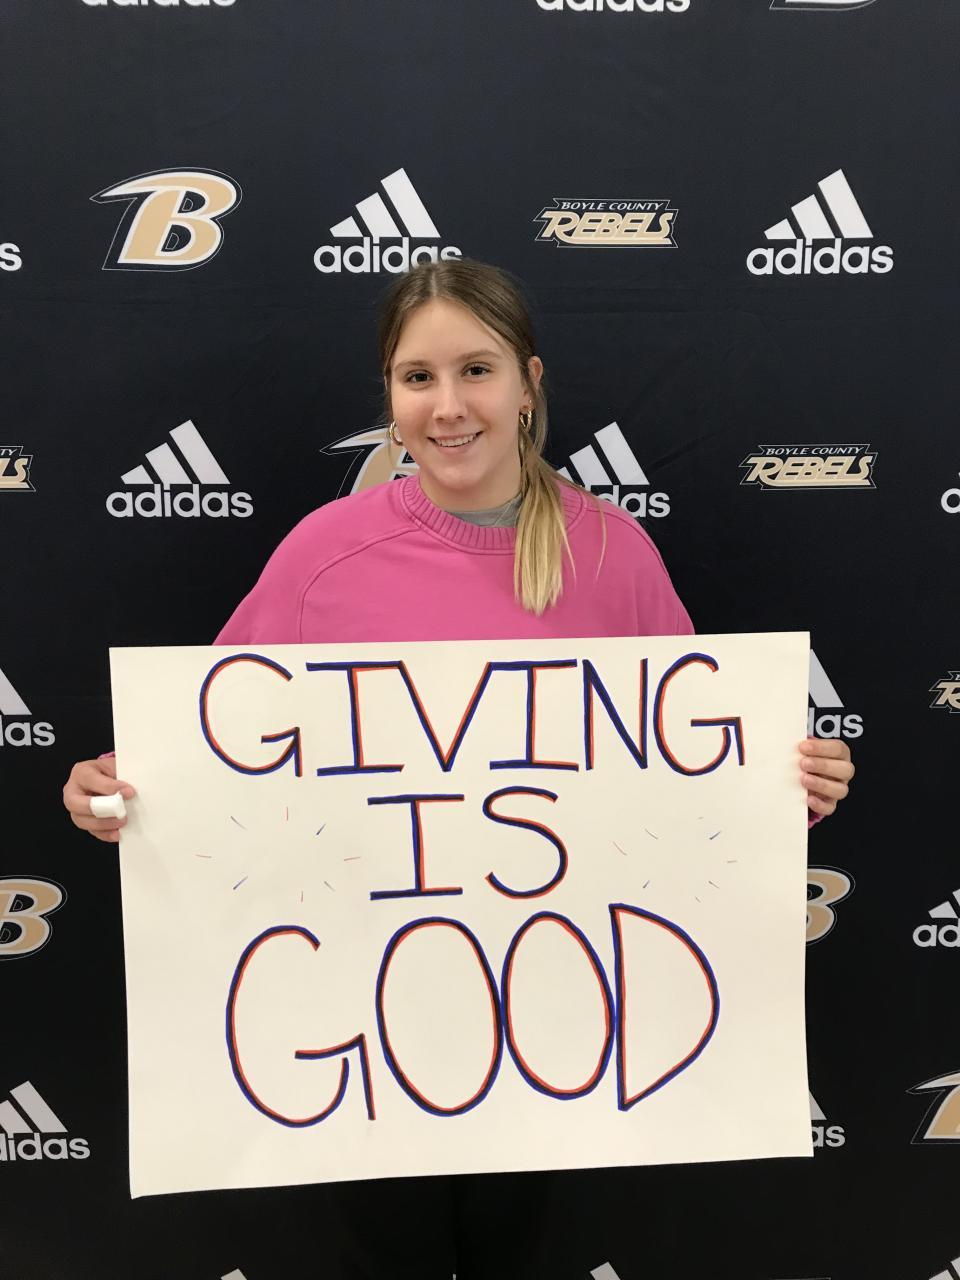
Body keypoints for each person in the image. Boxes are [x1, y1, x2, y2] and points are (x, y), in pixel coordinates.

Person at [61, 258, 854, 1277]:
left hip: (555, 1036)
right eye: (417, 377)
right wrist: (116, 789)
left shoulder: (613, 554)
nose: (447, 406)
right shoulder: (322, 554)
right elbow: (215, 751)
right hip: (365, 1035)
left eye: (476, 370)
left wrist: (792, 788)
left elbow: (690, 771)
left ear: (527, 383)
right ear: (390, 397)